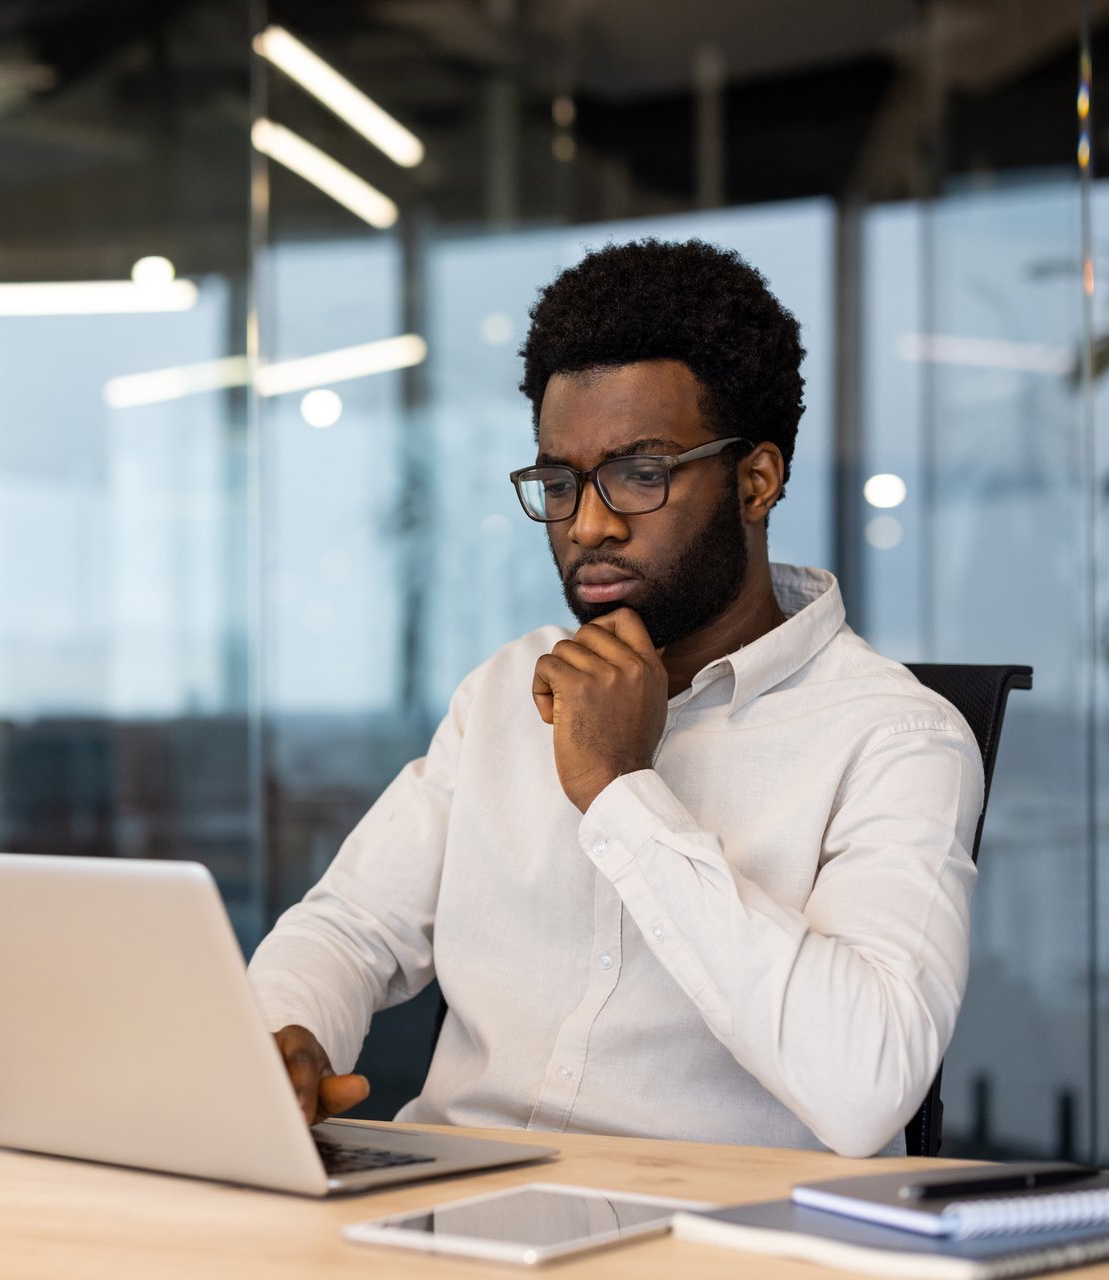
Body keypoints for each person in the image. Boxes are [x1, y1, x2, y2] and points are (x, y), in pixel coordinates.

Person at [247, 239, 985, 1158]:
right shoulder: (503, 694)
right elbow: (350, 928)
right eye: (560, 481)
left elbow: (868, 1085)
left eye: (642, 473)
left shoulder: (896, 737)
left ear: (756, 481)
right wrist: (288, 1034)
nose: (588, 524)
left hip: (710, 1239)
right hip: (451, 1210)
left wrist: (620, 791)